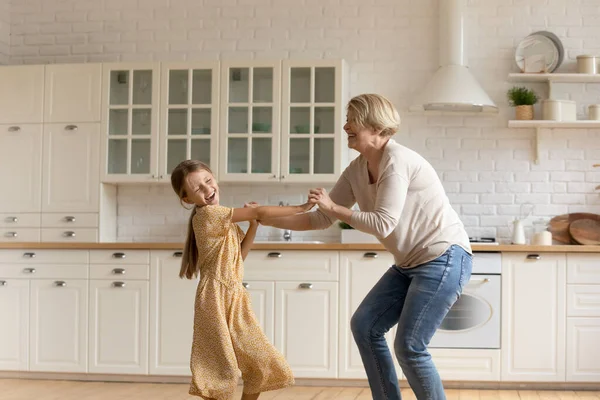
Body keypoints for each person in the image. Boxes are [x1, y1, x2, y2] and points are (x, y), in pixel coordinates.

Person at [262, 94, 473, 400]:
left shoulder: (397, 160)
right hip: (410, 264)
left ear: (376, 126)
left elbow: (381, 223)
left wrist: (335, 208)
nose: (345, 125)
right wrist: (265, 218)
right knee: (365, 325)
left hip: (444, 257)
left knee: (410, 347)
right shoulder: (357, 169)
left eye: (353, 120)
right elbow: (320, 218)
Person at [170, 159, 317, 400]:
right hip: (214, 298)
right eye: (198, 189)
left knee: (258, 360)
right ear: (187, 199)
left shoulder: (222, 217)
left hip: (235, 294)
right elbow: (260, 211)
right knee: (220, 367)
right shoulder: (209, 215)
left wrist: (253, 226)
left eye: (208, 181)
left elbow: (240, 255)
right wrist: (301, 207)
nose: (208, 189)